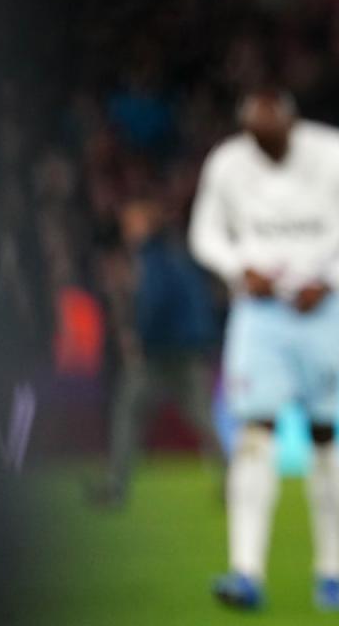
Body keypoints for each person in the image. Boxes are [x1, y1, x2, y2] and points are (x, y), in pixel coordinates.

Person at [189, 87, 339, 611]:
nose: (266, 148)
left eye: (274, 137)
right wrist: (241, 267)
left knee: (324, 431)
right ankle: (246, 572)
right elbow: (204, 234)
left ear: (291, 122)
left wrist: (332, 278)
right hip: (260, 313)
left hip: (325, 310)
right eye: (257, 139)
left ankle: (332, 572)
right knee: (255, 428)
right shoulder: (229, 163)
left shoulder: (335, 153)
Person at [89, 196, 222, 508]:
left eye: (132, 222)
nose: (127, 229)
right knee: (201, 418)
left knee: (128, 411)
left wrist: (139, 339)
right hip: (186, 347)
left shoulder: (153, 258)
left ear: (145, 225)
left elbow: (154, 302)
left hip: (163, 351)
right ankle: (234, 482)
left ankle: (116, 486)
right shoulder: (176, 253)